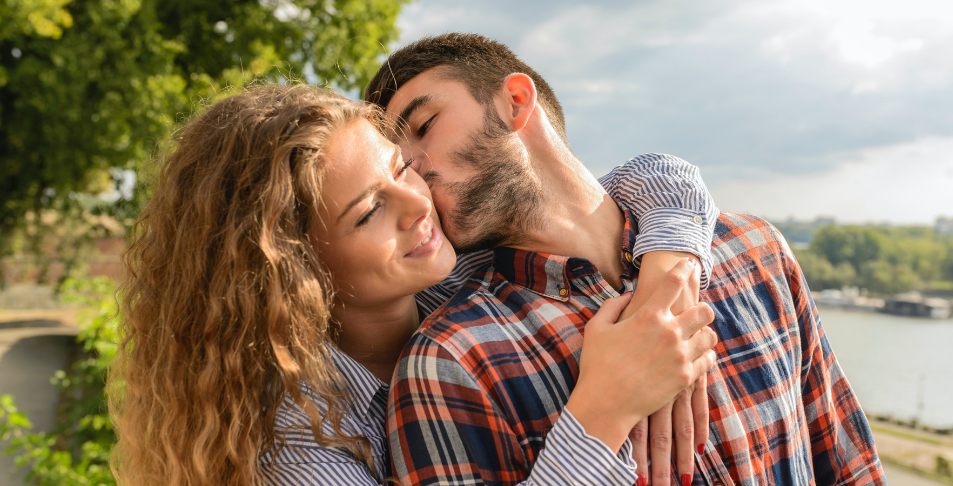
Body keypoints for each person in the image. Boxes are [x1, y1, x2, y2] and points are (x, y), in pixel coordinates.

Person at [110, 83, 722, 486]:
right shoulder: (293, 450)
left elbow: (651, 178)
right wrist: (603, 412)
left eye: (402, 167)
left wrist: (667, 282)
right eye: (368, 212)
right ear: (291, 271)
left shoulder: (459, 270)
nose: (419, 203)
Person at [365, 33, 888, 486]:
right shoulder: (449, 363)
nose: (410, 167)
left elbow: (848, 463)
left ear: (516, 102)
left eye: (424, 124)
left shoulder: (755, 251)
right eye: (395, 162)